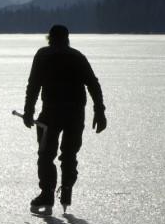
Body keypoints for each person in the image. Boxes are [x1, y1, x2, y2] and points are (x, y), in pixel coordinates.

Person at [21, 24, 107, 212]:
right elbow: (93, 84)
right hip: (75, 114)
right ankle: (66, 189)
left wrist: (28, 111)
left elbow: (33, 84)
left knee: (46, 155)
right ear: (67, 38)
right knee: (69, 154)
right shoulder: (77, 57)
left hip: (50, 114)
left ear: (50, 38)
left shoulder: (43, 55)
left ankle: (47, 195)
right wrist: (99, 111)